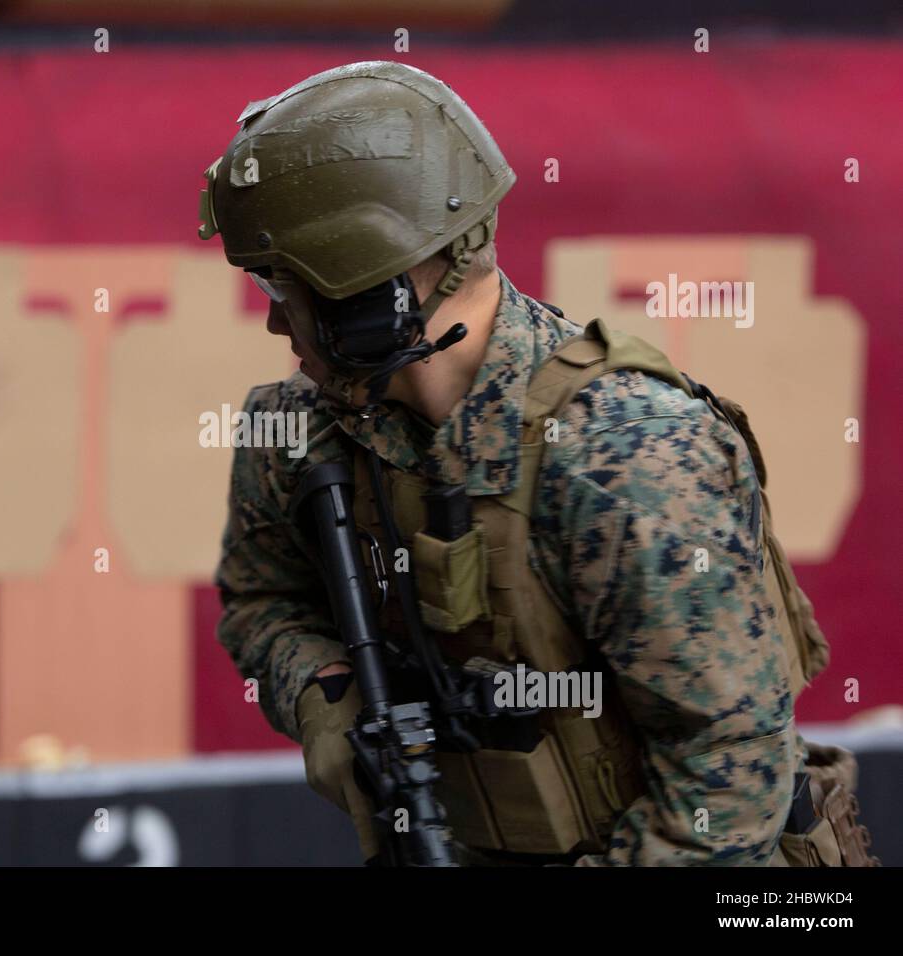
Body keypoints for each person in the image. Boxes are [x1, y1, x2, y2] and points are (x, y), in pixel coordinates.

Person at [200, 61, 839, 865]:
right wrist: (329, 700)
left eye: (286, 289)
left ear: (373, 299)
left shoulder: (631, 456)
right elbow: (263, 598)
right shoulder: (300, 431)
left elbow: (729, 777)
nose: (273, 326)